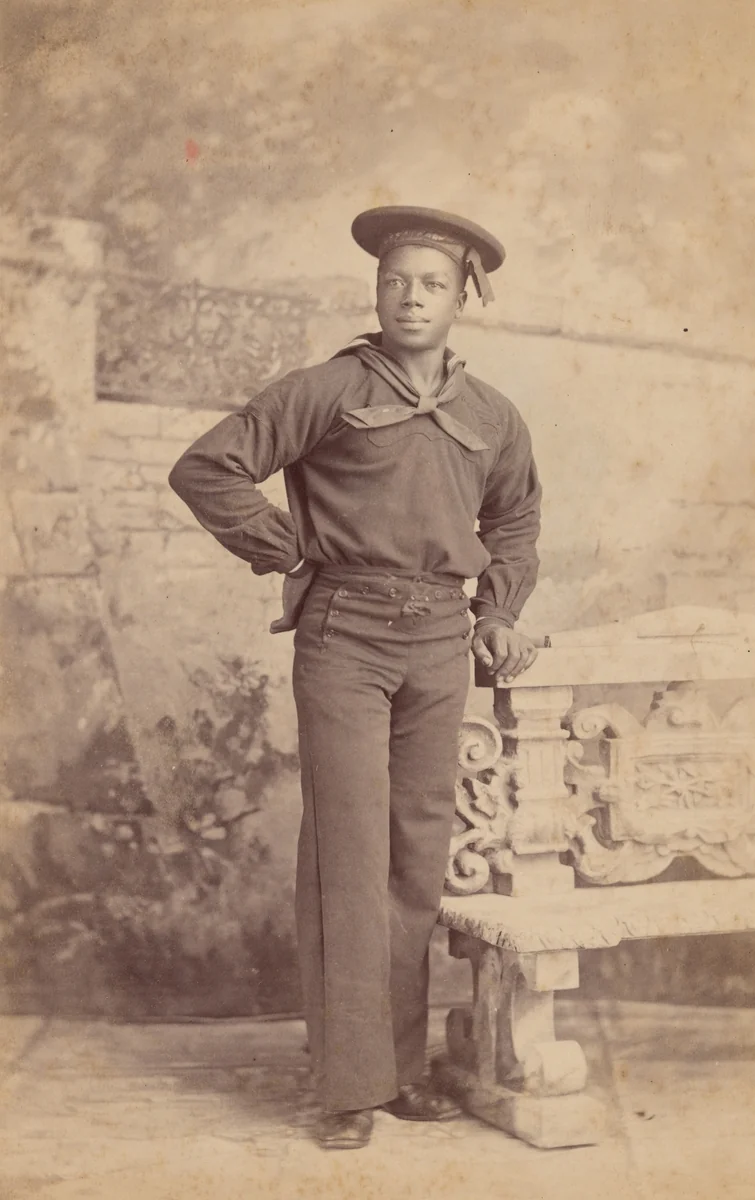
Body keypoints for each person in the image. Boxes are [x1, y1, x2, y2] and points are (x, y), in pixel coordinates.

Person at [169, 206, 541, 1149]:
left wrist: (496, 613)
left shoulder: (492, 415)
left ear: (464, 298)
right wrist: (287, 545)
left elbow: (516, 524)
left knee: (415, 857)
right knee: (348, 854)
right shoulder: (330, 387)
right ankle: (346, 1089)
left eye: (432, 284)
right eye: (395, 282)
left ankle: (400, 1069)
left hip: (438, 644)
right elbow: (207, 468)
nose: (411, 297)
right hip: (345, 635)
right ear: (374, 290)